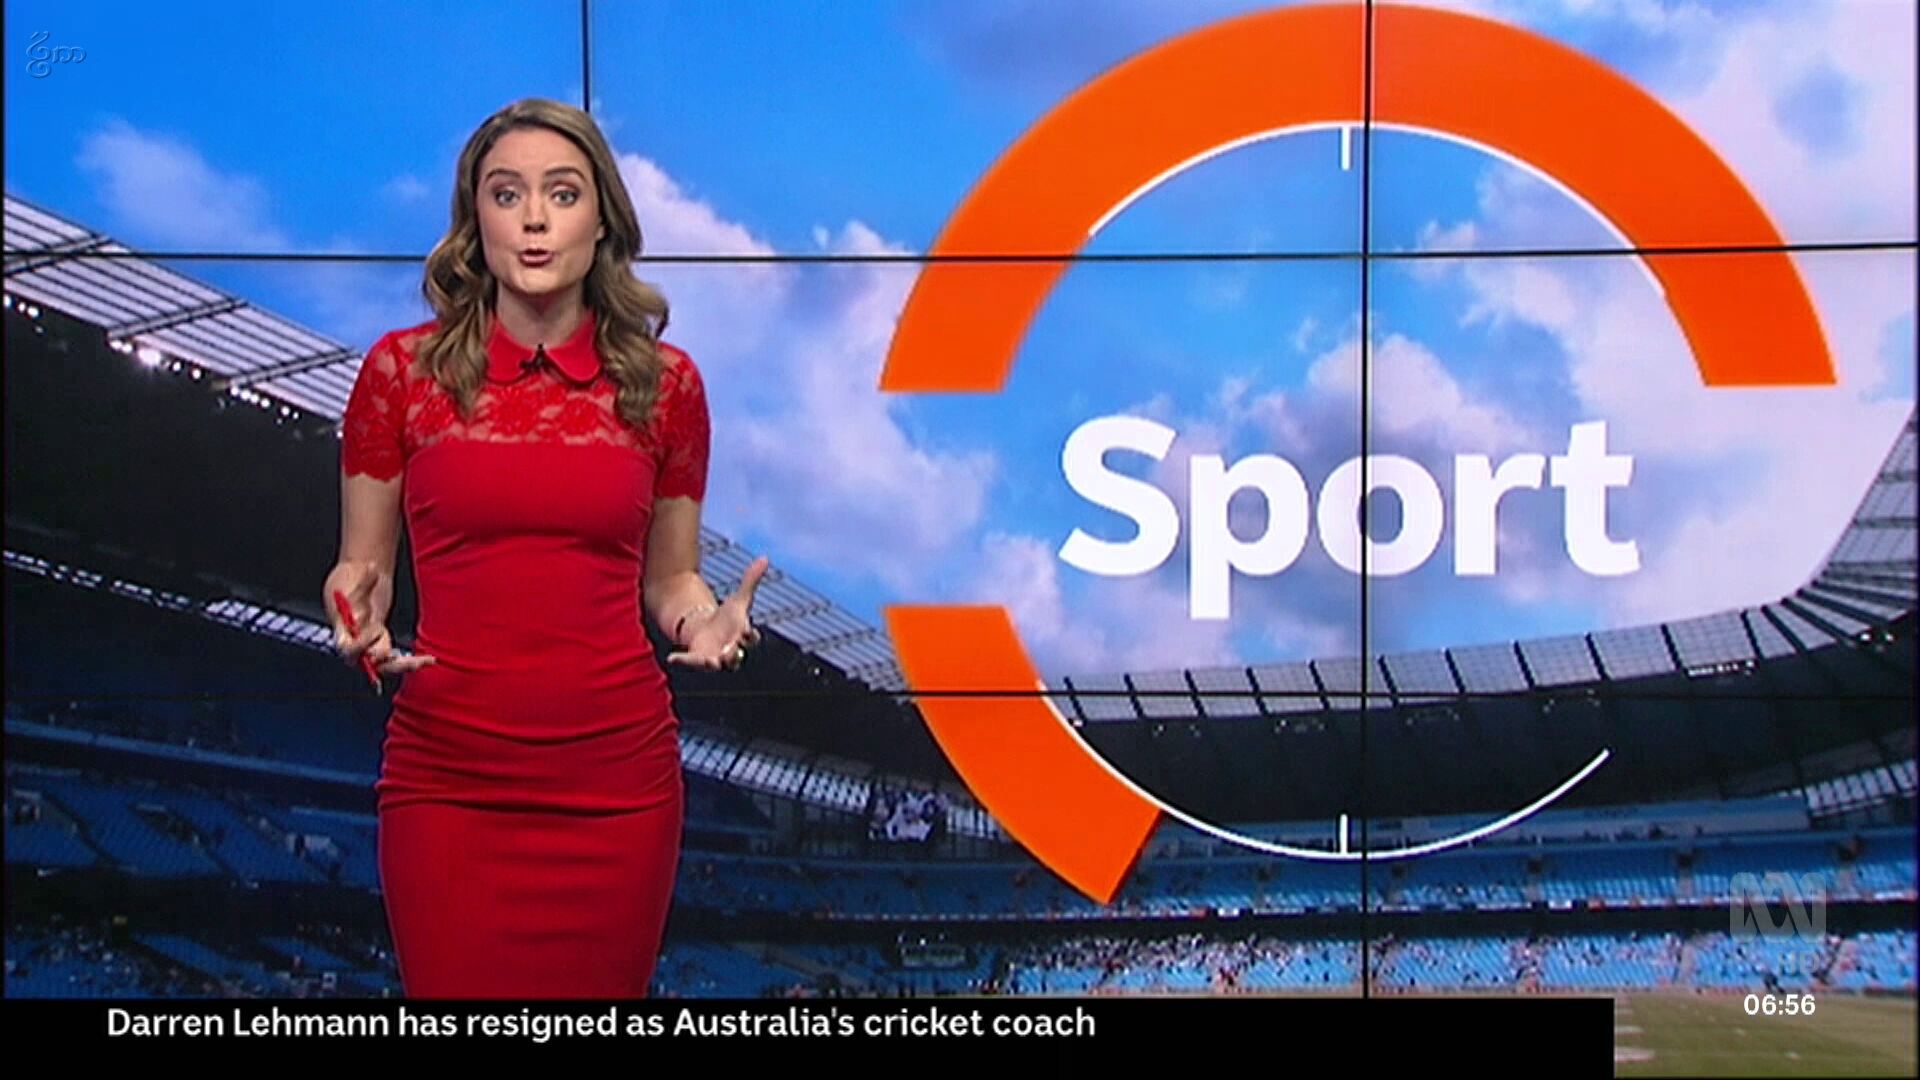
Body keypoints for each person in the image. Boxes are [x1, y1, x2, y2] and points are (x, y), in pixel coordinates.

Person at [324, 97, 766, 998]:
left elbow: (672, 579)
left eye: (562, 194)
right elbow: (361, 567)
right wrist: (353, 606)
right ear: (474, 219)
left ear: (601, 220)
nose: (533, 218)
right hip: (447, 781)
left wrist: (702, 624)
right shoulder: (399, 374)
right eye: (506, 193)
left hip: (618, 784)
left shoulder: (667, 385)